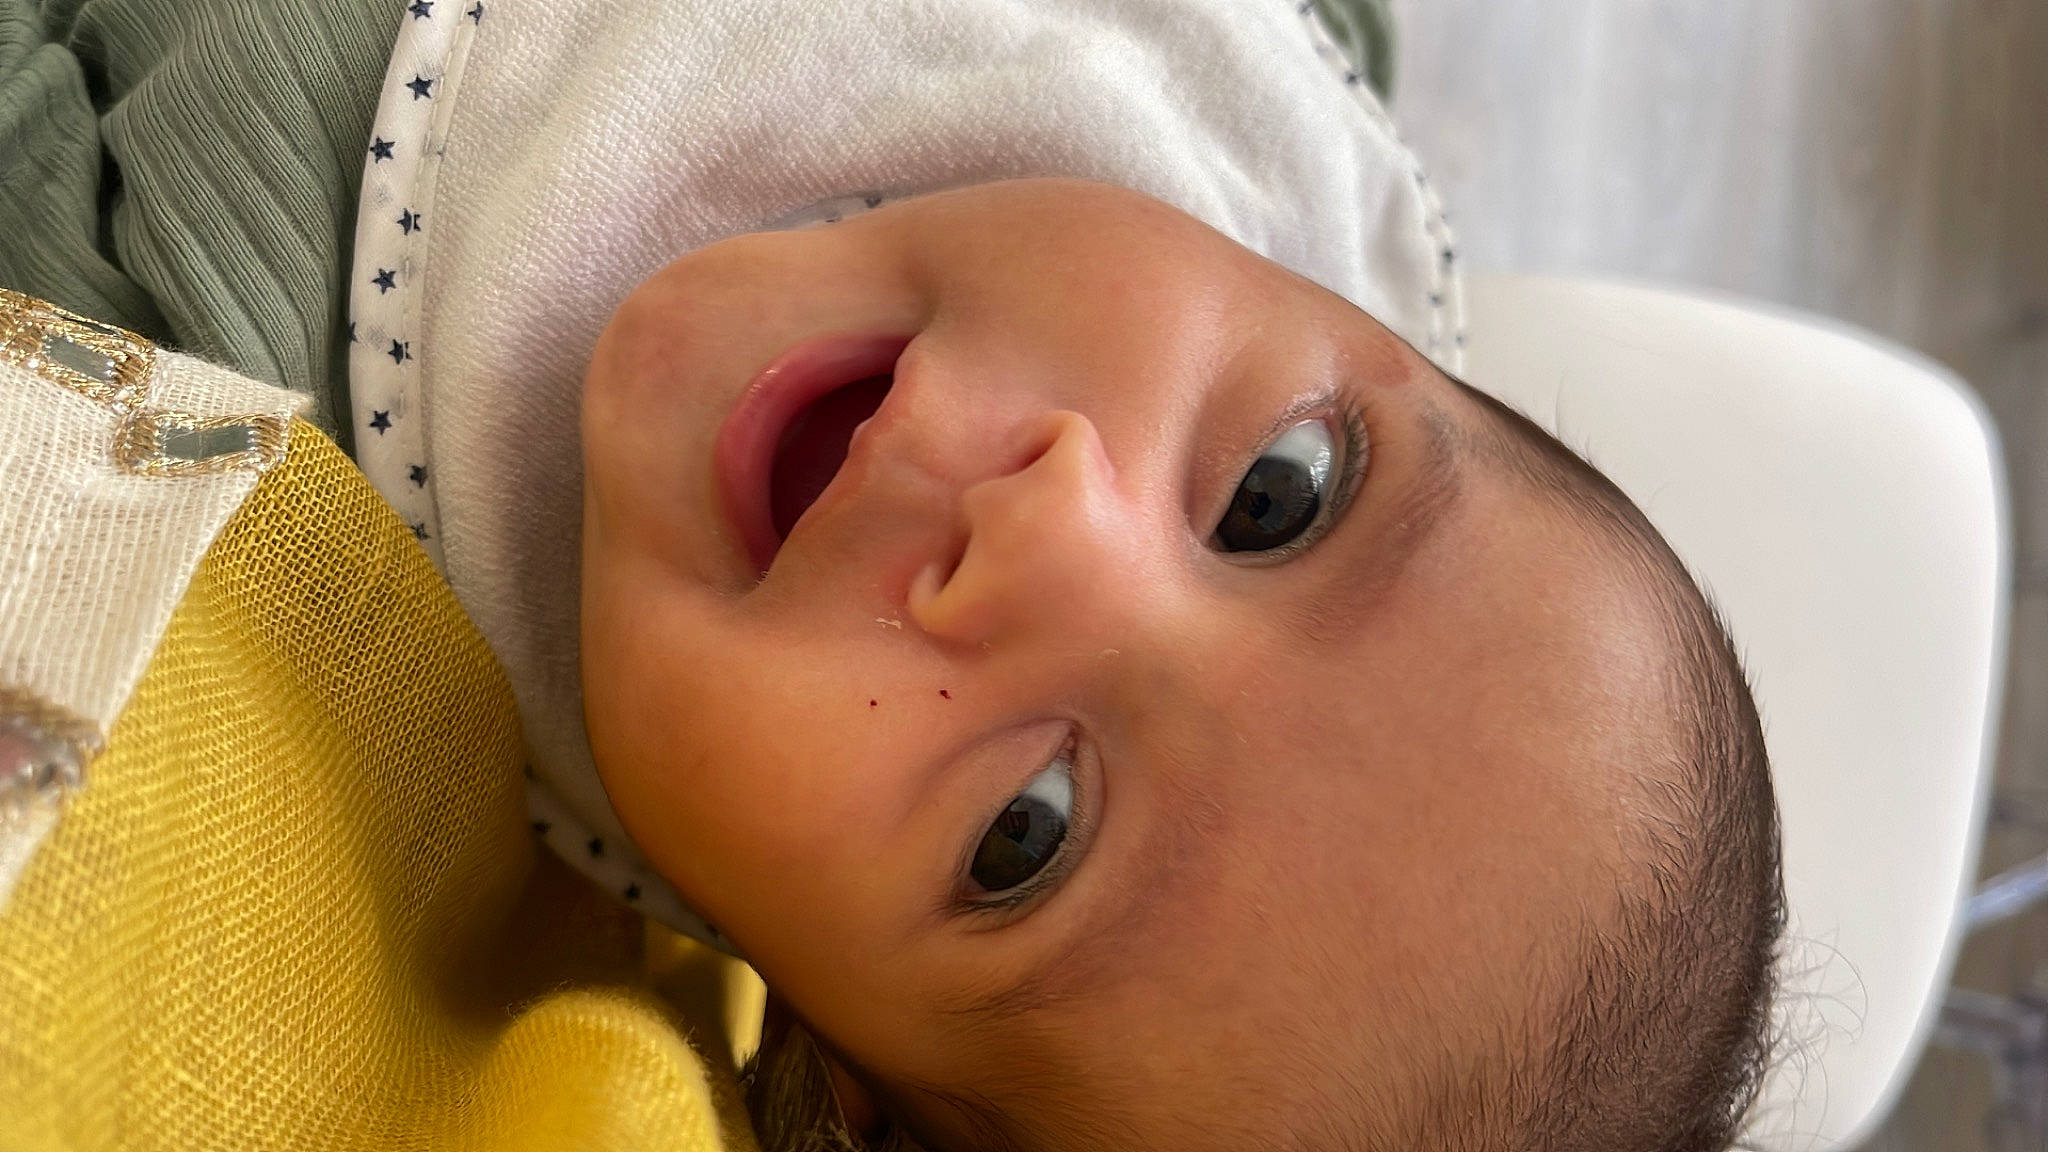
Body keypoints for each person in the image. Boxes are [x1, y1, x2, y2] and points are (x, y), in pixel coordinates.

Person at [0, 1, 1784, 1150]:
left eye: (1034, 828)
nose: (1052, 527)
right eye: (1276, 498)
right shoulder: (1196, 89)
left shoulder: (270, 527)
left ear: (833, 1065)